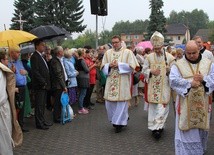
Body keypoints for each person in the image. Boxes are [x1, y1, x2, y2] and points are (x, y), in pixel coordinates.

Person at [169, 40, 214, 155]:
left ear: (199, 50)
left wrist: (203, 79)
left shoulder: (208, 63)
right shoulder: (178, 64)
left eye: (194, 53)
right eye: (188, 53)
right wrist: (190, 83)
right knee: (186, 133)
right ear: (185, 52)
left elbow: (213, 79)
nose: (191, 55)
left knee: (200, 130)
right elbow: (173, 81)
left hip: (202, 104)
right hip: (185, 105)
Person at [101, 35, 139, 133]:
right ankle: (117, 119)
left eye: (116, 42)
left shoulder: (128, 52)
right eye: (113, 42)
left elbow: (132, 66)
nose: (114, 44)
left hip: (122, 82)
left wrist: (119, 65)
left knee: (121, 103)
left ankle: (118, 123)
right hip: (111, 82)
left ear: (120, 42)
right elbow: (102, 66)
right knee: (109, 103)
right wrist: (109, 65)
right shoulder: (108, 53)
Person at [142, 31, 175, 139]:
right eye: (155, 49)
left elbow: (175, 74)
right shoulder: (149, 57)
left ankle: (159, 128)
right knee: (153, 108)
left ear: (162, 46)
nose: (156, 50)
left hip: (164, 86)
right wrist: (151, 71)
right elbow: (144, 70)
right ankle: (154, 128)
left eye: (158, 48)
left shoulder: (170, 58)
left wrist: (170, 71)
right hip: (153, 87)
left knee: (162, 108)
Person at [0, 61, 23, 155]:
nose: (7, 61)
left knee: (4, 137)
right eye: (5, 59)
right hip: (3, 109)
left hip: (3, 109)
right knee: (4, 137)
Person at [31, 39, 52, 130]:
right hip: (40, 85)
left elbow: (44, 69)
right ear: (37, 46)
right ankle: (39, 123)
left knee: (42, 105)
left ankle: (42, 121)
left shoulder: (41, 56)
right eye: (42, 45)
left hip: (45, 85)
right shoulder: (34, 56)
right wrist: (43, 82)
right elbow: (35, 72)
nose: (44, 47)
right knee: (39, 105)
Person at [8, 46, 29, 132]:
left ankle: (21, 124)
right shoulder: (8, 64)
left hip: (23, 87)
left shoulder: (20, 62)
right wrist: (11, 71)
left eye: (19, 52)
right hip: (16, 87)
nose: (19, 54)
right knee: (16, 107)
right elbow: (8, 77)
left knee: (22, 106)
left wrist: (26, 72)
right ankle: (15, 126)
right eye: (17, 52)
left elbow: (25, 72)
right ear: (12, 53)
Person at [49, 46, 67, 123]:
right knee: (57, 102)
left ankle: (59, 116)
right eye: (62, 51)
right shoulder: (55, 61)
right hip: (58, 85)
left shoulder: (58, 60)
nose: (63, 52)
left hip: (60, 84)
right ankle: (56, 117)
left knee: (60, 101)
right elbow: (58, 74)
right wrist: (64, 86)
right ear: (59, 52)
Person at [75, 48, 89, 114]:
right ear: (82, 54)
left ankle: (81, 107)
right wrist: (88, 67)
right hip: (84, 78)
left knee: (80, 93)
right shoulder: (82, 60)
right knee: (82, 94)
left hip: (79, 77)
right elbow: (87, 70)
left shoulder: (76, 60)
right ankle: (81, 108)